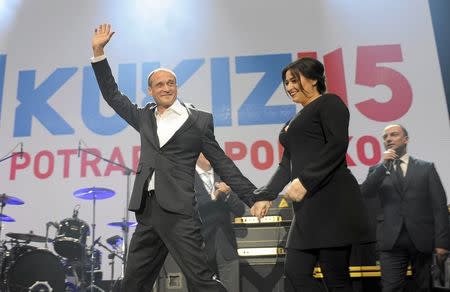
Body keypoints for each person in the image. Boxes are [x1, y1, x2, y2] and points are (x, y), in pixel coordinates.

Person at [90, 24, 265, 292]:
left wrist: (252, 196)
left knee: (201, 280)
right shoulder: (144, 117)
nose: (166, 88)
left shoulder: (198, 121)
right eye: (159, 84)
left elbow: (222, 163)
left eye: (170, 83)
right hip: (147, 210)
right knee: (134, 283)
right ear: (151, 91)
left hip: (179, 212)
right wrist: (99, 53)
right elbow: (112, 96)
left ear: (177, 87)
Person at [251, 57, 368, 291]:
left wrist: (305, 180)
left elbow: (337, 145)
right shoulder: (292, 120)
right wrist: (266, 194)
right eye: (286, 83)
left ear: (314, 79)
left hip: (331, 201)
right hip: (307, 207)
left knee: (336, 279)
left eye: (294, 80)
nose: (289, 87)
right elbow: (287, 163)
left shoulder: (330, 103)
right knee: (295, 273)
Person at [361, 124, 449, 291]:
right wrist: (383, 165)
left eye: (393, 135)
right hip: (391, 242)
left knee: (424, 288)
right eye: (385, 137)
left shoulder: (426, 168)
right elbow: (366, 193)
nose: (388, 139)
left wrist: (442, 242)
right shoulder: (377, 170)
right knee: (390, 288)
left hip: (423, 240)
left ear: (406, 139)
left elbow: (439, 208)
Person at [194, 153, 245, 292]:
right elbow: (187, 207)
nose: (209, 154)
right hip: (200, 248)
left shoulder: (223, 174)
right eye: (205, 151)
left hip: (226, 246)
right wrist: (211, 197)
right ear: (197, 154)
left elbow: (240, 210)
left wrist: (228, 194)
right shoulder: (187, 176)